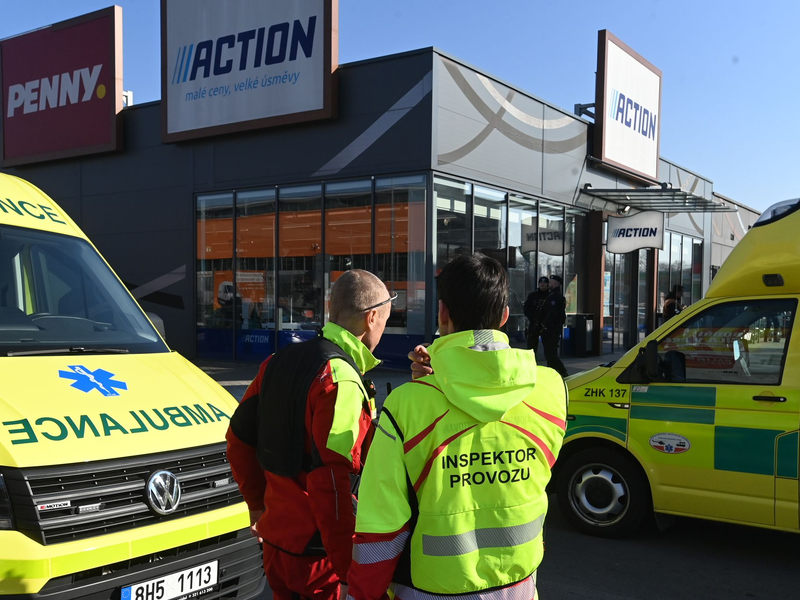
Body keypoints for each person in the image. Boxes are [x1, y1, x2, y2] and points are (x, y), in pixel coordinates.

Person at [346, 253, 568, 600]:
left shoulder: (406, 405)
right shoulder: (551, 389)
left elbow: (381, 530)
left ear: (442, 313)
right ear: (505, 316)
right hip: (520, 586)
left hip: (431, 589)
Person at [226, 270, 394, 600]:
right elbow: (331, 480)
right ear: (372, 317)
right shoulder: (340, 379)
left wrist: (259, 507)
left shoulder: (276, 361)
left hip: (278, 547)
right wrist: (347, 570)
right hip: (321, 559)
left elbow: (238, 440)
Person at [540, 275, 568, 378]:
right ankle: (555, 374)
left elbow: (552, 315)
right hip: (552, 330)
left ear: (555, 284)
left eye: (550, 282)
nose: (548, 284)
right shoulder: (553, 295)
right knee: (550, 354)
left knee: (550, 355)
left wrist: (545, 326)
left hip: (551, 330)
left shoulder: (555, 297)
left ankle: (562, 372)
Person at [523, 276, 551, 354]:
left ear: (547, 284)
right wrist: (532, 318)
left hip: (545, 325)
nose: (542, 284)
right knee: (531, 347)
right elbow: (526, 308)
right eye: (541, 283)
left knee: (548, 347)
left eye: (544, 283)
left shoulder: (550, 296)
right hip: (534, 323)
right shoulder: (533, 295)